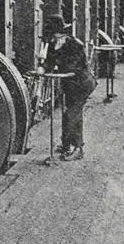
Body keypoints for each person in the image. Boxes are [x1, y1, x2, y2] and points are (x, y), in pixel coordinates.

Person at [38, 15, 97, 161]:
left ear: (61, 33)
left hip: (82, 83)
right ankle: (66, 145)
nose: (54, 38)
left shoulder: (75, 44)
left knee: (72, 114)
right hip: (70, 84)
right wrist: (43, 68)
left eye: (56, 35)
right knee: (68, 113)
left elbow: (78, 66)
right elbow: (50, 63)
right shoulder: (53, 45)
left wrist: (62, 70)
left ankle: (78, 149)